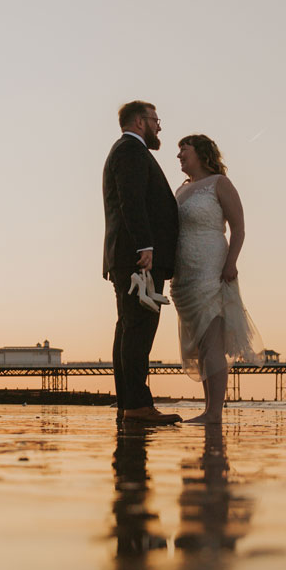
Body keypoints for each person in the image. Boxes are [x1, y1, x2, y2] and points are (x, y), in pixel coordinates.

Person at [169, 134, 263, 425]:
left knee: (212, 341)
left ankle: (214, 413)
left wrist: (231, 262)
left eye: (184, 149)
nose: (179, 155)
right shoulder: (181, 191)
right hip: (184, 275)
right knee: (199, 344)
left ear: (201, 152)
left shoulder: (220, 184)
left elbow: (239, 228)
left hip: (212, 268)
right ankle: (209, 409)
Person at [101, 101, 182, 425]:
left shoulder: (126, 151)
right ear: (139, 122)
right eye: (155, 119)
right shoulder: (130, 151)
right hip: (138, 258)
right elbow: (130, 199)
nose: (159, 126)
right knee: (138, 330)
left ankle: (130, 403)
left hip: (130, 255)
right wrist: (145, 246)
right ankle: (136, 405)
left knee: (129, 328)